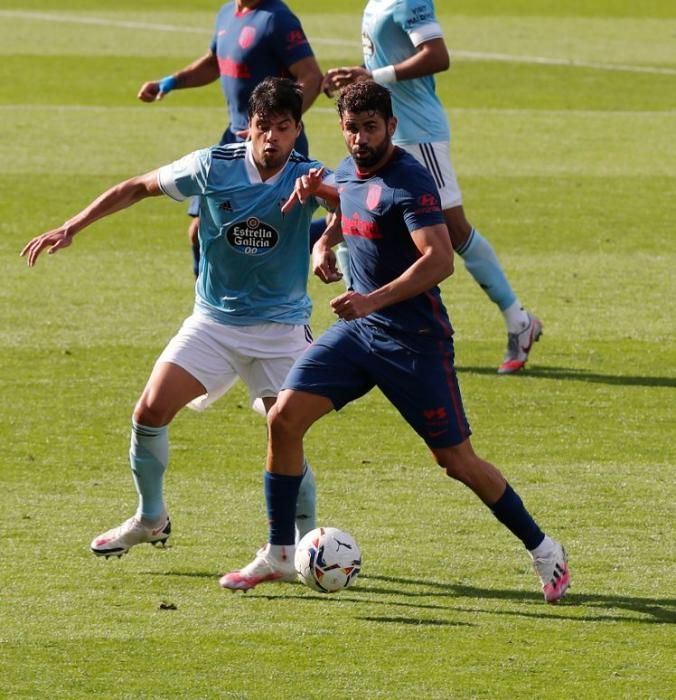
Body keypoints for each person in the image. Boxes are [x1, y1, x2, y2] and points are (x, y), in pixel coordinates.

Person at [220, 81, 570, 604]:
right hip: (360, 334)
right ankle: (278, 552)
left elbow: (440, 258)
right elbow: (352, 205)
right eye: (352, 128)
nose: (360, 138)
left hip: (414, 342)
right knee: (283, 418)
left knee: (456, 461)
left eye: (371, 128)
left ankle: (545, 551)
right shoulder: (345, 169)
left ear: (392, 126)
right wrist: (324, 241)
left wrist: (371, 299)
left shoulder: (411, 181)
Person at [21, 78, 336, 558]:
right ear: (247, 128)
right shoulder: (212, 165)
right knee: (149, 412)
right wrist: (72, 226)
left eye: (284, 128)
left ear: (298, 129)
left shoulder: (309, 175)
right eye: (263, 127)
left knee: (284, 429)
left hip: (281, 329)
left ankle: (305, 541)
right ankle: (151, 518)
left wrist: (324, 239)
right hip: (213, 323)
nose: (272, 138)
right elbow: (137, 188)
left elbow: (354, 209)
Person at [322, 0, 541, 374]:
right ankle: (360, 320)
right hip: (387, 134)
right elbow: (383, 64)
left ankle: (519, 320)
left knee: (454, 231)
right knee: (353, 211)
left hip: (418, 133)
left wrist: (376, 76)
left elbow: (436, 56)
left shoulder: (411, 1)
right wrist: (362, 76)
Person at [138, 0, 323, 277]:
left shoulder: (277, 20)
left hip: (272, 147)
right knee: (201, 231)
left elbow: (311, 76)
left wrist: (273, 126)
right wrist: (171, 81)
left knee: (268, 235)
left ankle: (337, 233)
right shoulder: (228, 13)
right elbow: (215, 62)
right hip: (233, 142)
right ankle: (211, 305)